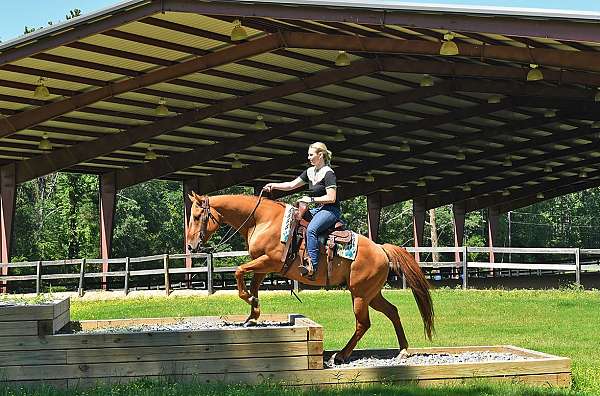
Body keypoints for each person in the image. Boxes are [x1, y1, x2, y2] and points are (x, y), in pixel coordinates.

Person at [263, 142, 341, 280]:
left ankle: (313, 266)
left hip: (330, 210)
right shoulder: (310, 172)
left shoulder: (329, 173)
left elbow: (331, 197)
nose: (309, 158)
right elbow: (291, 185)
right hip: (317, 209)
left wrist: (310, 200)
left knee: (311, 230)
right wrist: (273, 185)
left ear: (320, 155)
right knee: (292, 221)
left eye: (311, 155)